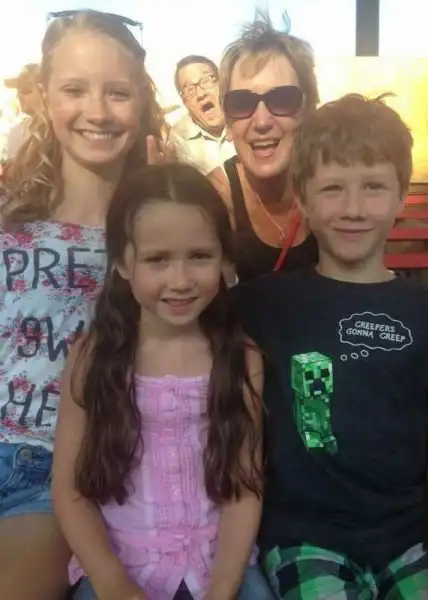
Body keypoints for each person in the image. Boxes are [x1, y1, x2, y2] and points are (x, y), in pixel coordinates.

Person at [232, 94, 428, 599]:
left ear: (402, 197)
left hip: (410, 540)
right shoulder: (261, 305)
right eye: (332, 188)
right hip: (304, 539)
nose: (353, 209)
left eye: (374, 187)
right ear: (303, 200)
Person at [0, 10, 165, 600]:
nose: (97, 111)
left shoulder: (160, 241)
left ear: (141, 103)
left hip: (57, 472)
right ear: (45, 98)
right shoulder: (10, 224)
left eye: (117, 93)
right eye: (74, 89)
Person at [52, 163, 274, 600]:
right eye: (157, 259)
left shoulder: (241, 357)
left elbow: (244, 488)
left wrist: (222, 589)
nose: (181, 281)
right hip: (121, 565)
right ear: (123, 262)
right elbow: (69, 490)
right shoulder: (92, 359)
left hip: (218, 564)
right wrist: (113, 582)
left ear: (224, 258)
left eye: (200, 256)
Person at [208, 12, 319, 282]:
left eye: (283, 99)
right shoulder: (213, 201)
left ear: (309, 110)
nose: (261, 122)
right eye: (241, 103)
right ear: (228, 121)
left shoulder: (333, 186)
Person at [170, 55, 235, 176]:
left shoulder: (245, 118)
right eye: (189, 89)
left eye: (206, 81)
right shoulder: (179, 140)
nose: (200, 94)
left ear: (222, 84)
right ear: (185, 102)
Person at [4, 63, 41, 159]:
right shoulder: (16, 131)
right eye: (18, 91)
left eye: (25, 90)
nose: (18, 96)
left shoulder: (61, 129)